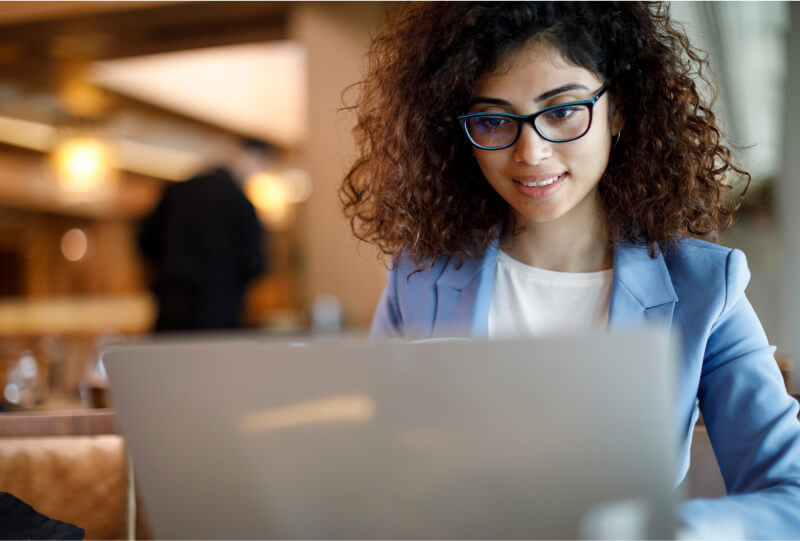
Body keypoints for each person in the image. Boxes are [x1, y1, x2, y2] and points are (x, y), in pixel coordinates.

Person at [340, 2, 800, 537]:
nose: (530, 153)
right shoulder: (417, 277)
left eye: (560, 111)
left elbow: (788, 497)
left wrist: (659, 531)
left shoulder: (704, 288)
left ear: (619, 109)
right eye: (492, 119)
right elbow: (368, 475)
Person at [138, 139, 268, 331]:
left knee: (170, 361)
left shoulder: (175, 192)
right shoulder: (239, 200)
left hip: (171, 311)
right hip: (220, 314)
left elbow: (144, 242)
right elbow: (258, 263)